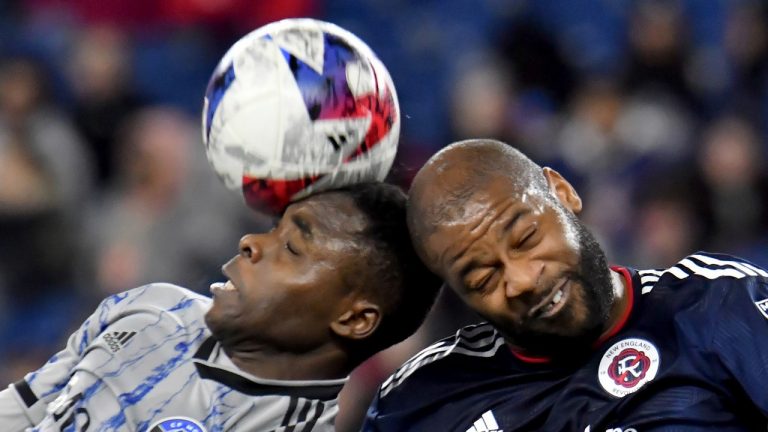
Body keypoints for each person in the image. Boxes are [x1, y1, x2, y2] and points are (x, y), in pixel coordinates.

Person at [364, 139, 768, 431]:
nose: (522, 280)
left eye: (526, 239)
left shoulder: (718, 306)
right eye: (483, 278)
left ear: (563, 193)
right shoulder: (422, 401)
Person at [0, 182, 440, 431]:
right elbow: (20, 411)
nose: (251, 243)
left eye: (291, 246)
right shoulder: (154, 308)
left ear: (354, 318)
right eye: (273, 228)